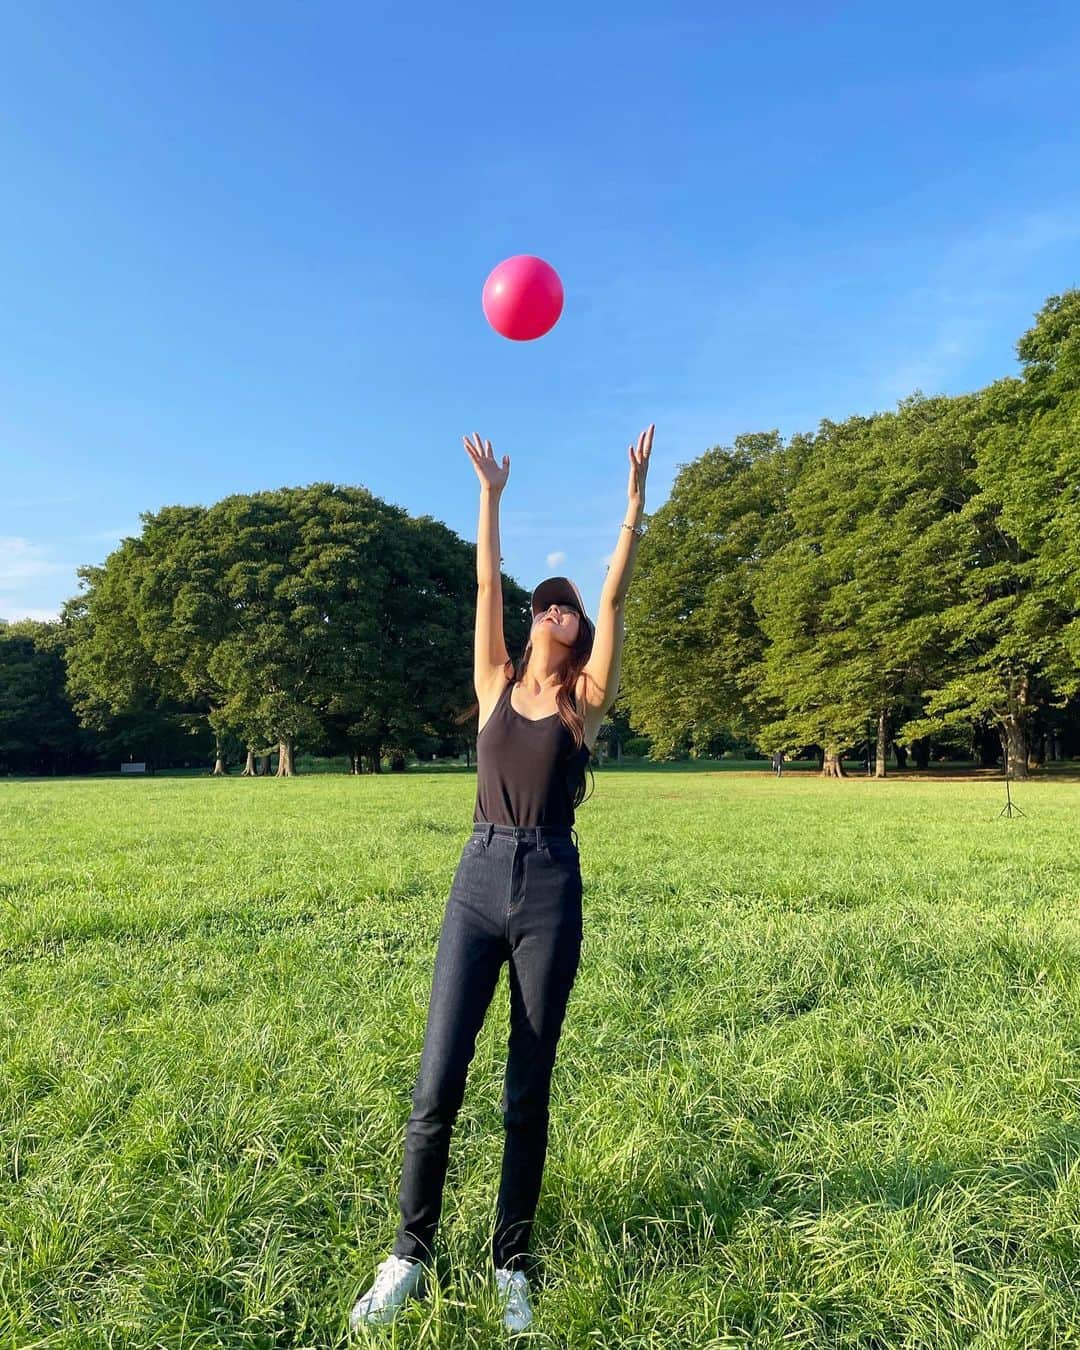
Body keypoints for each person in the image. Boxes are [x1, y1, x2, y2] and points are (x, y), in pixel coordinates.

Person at [350, 424, 653, 1335]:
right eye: (545, 602)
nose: (556, 608)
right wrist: (490, 495)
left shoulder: (585, 703)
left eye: (567, 607)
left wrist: (634, 505)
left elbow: (614, 586)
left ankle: (510, 1264)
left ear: (580, 631)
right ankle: (408, 1252)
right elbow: (485, 580)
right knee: (438, 1079)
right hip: (476, 877)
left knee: (528, 1085)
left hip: (550, 886)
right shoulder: (492, 682)